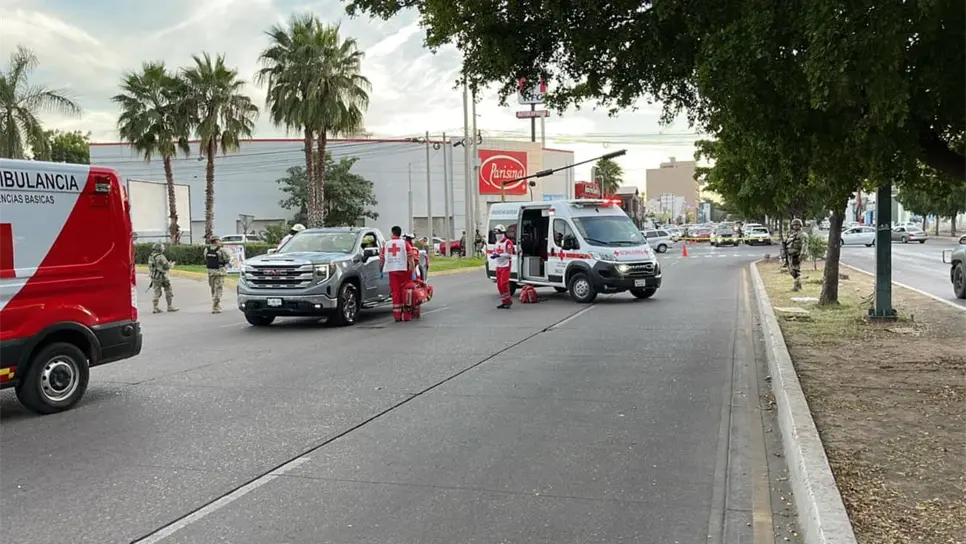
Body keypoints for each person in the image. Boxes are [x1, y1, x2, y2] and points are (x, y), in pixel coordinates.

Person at [380, 226, 414, 322]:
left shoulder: (386, 244)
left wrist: (380, 271)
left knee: (395, 293)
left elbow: (381, 259)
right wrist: (413, 272)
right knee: (406, 293)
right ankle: (406, 315)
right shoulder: (405, 243)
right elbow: (411, 258)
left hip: (392, 272)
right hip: (405, 271)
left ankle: (397, 316)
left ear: (392, 233)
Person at [147, 242, 179, 314]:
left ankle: (155, 307)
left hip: (154, 276)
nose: (163, 248)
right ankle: (169, 306)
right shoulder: (160, 256)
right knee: (168, 289)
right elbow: (166, 266)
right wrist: (171, 264)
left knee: (156, 291)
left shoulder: (151, 256)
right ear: (159, 249)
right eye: (162, 247)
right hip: (162, 276)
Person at [205, 234, 233, 313]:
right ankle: (215, 306)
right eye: (219, 240)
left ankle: (216, 304)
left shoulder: (206, 250)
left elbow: (206, 258)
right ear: (217, 241)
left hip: (210, 272)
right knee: (219, 289)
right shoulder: (221, 250)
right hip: (219, 272)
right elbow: (227, 259)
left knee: (213, 289)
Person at [490, 224, 515, 309]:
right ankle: (504, 301)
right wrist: (494, 255)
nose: (497, 236)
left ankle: (508, 300)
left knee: (504, 283)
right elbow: (495, 251)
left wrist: (498, 255)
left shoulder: (508, 242)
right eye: (496, 234)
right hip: (498, 266)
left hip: (506, 265)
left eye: (498, 233)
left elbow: (508, 254)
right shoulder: (496, 243)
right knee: (499, 285)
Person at [787, 218, 805, 291]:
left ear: (800, 225)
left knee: (795, 270)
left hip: (797, 254)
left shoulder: (802, 235)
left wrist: (802, 254)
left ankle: (796, 286)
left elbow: (804, 244)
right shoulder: (793, 234)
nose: (795, 226)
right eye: (794, 225)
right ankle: (798, 285)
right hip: (791, 254)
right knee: (791, 270)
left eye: (797, 225)